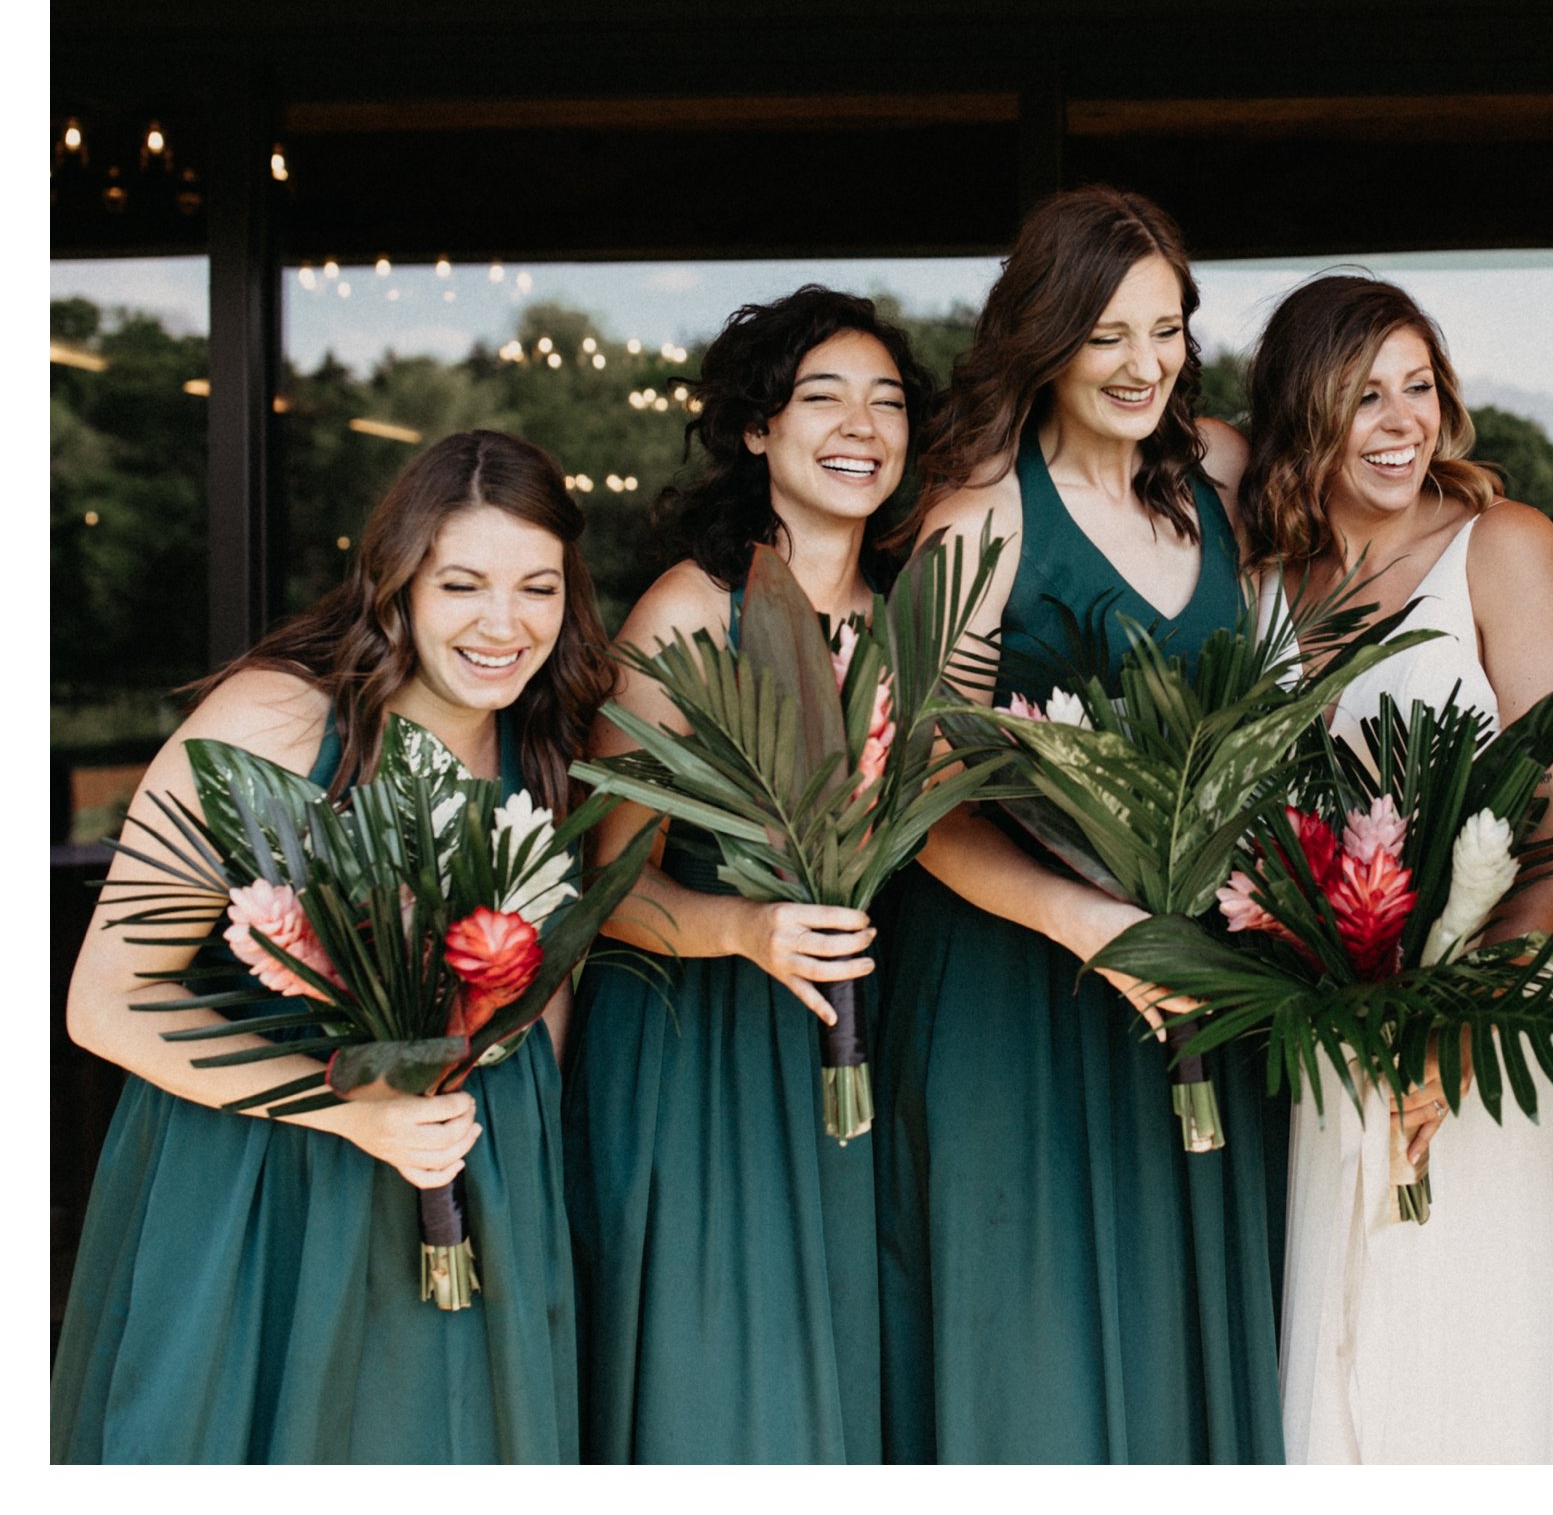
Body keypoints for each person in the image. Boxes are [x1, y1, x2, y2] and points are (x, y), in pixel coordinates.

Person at [53, 430, 608, 1463]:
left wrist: (531, 1173)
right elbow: (107, 998)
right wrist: (349, 1110)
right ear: (395, 582)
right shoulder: (277, 716)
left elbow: (547, 972)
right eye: (463, 584)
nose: (506, 622)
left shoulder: (546, 736)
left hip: (474, 1166)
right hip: (268, 1181)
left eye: (539, 586)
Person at [871, 185, 1284, 1463]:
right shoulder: (975, 518)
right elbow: (921, 801)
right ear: (1043, 337)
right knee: (1037, 1337)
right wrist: (1097, 925)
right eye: (1107, 333)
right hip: (1020, 981)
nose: (1142, 362)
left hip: (1204, 970)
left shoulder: (1217, 470)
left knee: (1196, 1316)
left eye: (1164, 329)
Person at [1236, 272, 1553, 1462]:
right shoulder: (1263, 585)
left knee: (1467, 1352)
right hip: (1332, 1031)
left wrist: (1462, 1031)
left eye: (1420, 387)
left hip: (1504, 1018)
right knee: (1347, 1346)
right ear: (1302, 416)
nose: (1404, 421)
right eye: (1364, 396)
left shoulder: (1501, 548)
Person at [561, 288, 928, 1462]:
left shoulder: (910, 620)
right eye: (822, 396)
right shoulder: (690, 608)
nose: (860, 423)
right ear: (757, 430)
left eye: (886, 400)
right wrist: (745, 929)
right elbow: (605, 884)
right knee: (723, 1385)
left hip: (859, 1036)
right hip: (701, 1051)